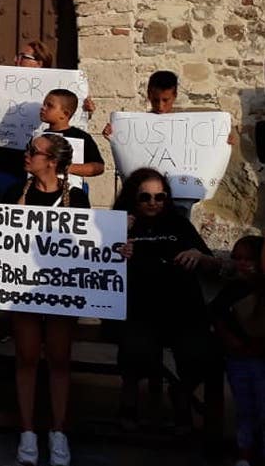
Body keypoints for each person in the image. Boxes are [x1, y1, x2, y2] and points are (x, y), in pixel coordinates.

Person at [0, 133, 89, 466]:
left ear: (52, 162)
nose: (26, 155)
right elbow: (2, 236)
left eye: (33, 151)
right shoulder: (16, 192)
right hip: (23, 291)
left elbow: (88, 242)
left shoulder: (77, 199)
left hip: (59, 292)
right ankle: (27, 432)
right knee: (26, 359)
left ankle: (58, 432)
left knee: (59, 360)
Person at [112, 168, 221, 437]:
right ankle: (130, 397)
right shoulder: (119, 223)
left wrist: (198, 255)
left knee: (199, 351)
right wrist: (114, 241)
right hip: (138, 307)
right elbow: (94, 262)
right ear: (133, 198)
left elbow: (213, 264)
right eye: (145, 197)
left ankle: (181, 392)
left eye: (159, 197)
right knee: (134, 347)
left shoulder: (179, 224)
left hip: (181, 307)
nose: (153, 203)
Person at [210, 235, 265, 466]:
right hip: (240, 358)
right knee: (245, 408)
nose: (243, 264)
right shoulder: (233, 289)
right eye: (237, 259)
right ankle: (245, 452)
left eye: (249, 258)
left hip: (261, 359)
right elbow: (216, 314)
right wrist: (229, 339)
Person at [0, 41, 55, 199]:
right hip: (8, 160)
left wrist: (85, 109)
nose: (15, 60)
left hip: (41, 162)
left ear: (39, 63)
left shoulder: (56, 88)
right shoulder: (2, 85)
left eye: (22, 57)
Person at [39, 89, 105, 180]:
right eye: (44, 104)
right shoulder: (39, 137)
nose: (43, 108)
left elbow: (99, 167)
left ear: (65, 114)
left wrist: (67, 168)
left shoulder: (81, 136)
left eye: (49, 106)